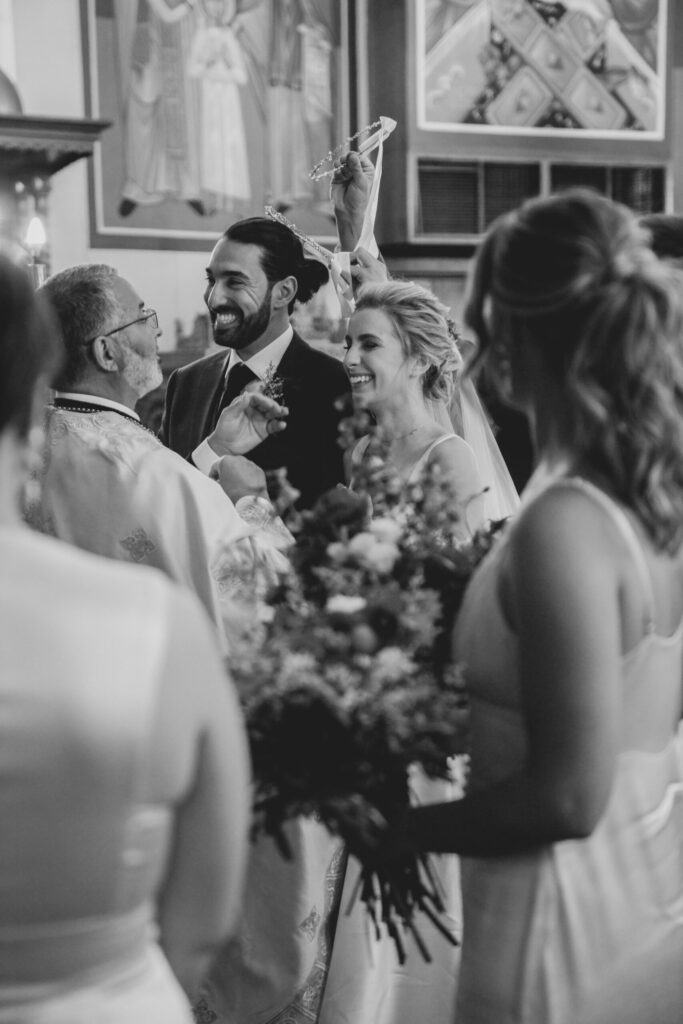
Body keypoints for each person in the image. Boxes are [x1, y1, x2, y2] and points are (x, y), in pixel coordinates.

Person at [376, 189, 683, 1023]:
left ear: (511, 335)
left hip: (557, 919)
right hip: (639, 889)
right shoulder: (646, 497)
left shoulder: (567, 522)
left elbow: (565, 799)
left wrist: (387, 829)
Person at [0, 256, 250, 1019]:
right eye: (145, 320)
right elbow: (203, 915)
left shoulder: (153, 467)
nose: (160, 334)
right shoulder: (153, 591)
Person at [29, 264, 291, 654]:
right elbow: (270, 597)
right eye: (143, 316)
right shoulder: (153, 472)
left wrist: (214, 449)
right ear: (106, 352)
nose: (158, 330)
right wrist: (253, 502)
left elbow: (148, 507)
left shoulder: (27, 450)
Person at [160, 216, 351, 509]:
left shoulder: (333, 384)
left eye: (235, 282)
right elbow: (167, 498)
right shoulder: (186, 382)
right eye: (211, 280)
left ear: (284, 292)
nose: (213, 298)